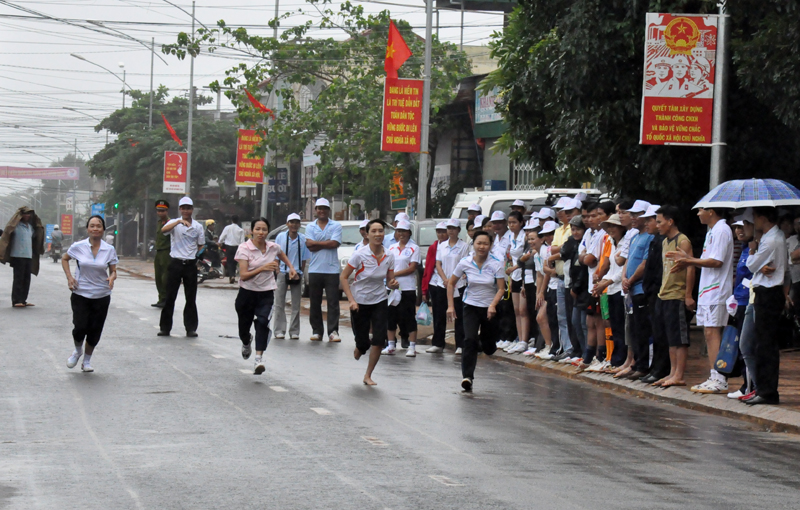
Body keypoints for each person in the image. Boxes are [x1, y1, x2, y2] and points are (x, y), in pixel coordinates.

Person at [667, 206, 734, 394]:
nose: (697, 214)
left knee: (713, 332)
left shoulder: (722, 230)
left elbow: (716, 261)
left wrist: (690, 260)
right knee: (708, 333)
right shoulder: (713, 231)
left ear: (711, 211)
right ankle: (714, 375)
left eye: (701, 210)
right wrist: (689, 261)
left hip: (716, 290)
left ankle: (720, 378)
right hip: (708, 289)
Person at [235, 217, 298, 374]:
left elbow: (282, 255)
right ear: (251, 231)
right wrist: (263, 268)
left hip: (266, 293)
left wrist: (291, 268)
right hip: (246, 294)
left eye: (264, 229)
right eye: (257, 229)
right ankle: (246, 341)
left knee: (263, 322)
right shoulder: (244, 248)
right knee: (244, 327)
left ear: (268, 231)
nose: (261, 233)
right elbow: (243, 275)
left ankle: (258, 359)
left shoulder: (273, 247)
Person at [341, 219, 398, 386]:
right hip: (359, 301)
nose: (378, 234)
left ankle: (368, 375)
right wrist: (351, 300)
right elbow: (343, 277)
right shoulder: (360, 254)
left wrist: (394, 284)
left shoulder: (389, 255)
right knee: (363, 342)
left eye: (380, 231)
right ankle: (360, 347)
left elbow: (390, 281)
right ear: (367, 234)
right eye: (374, 231)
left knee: (380, 339)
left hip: (380, 299)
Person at [447, 230, 505, 392]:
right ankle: (467, 377)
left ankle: (483, 344)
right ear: (473, 244)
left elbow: (501, 288)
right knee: (469, 340)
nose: (482, 247)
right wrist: (451, 306)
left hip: (490, 309)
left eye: (485, 243)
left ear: (490, 245)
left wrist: (493, 305)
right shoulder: (465, 262)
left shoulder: (496, 263)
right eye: (479, 243)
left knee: (488, 347)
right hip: (470, 305)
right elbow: (451, 283)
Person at [743, 207, 790, 405]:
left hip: (768, 294)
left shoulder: (770, 240)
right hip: (769, 293)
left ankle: (767, 391)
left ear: (763, 218)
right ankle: (762, 388)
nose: (754, 222)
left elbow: (751, 265)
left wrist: (753, 249)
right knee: (762, 344)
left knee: (765, 345)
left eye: (755, 217)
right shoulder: (775, 236)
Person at [61, 215, 118, 373]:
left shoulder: (109, 249)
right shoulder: (78, 246)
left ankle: (86, 360)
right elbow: (64, 259)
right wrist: (69, 277)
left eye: (98, 226)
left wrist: (112, 278)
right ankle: (77, 351)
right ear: (87, 229)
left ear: (103, 229)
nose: (95, 229)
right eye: (92, 226)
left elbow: (113, 270)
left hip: (101, 295)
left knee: (95, 329)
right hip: (81, 293)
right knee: (80, 326)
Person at [652, 205, 695, 388]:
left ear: (670, 221)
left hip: (677, 294)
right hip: (664, 294)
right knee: (669, 337)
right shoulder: (664, 242)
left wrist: (688, 295)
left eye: (660, 221)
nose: (657, 225)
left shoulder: (682, 241)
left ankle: (679, 374)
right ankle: (672, 372)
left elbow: (690, 267)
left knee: (679, 338)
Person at [158, 197, 205, 337]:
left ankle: (191, 328)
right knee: (170, 297)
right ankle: (165, 328)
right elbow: (163, 230)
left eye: (188, 208)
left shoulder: (197, 226)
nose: (186, 211)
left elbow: (201, 243)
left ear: (192, 209)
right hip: (175, 263)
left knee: (190, 298)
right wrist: (178, 221)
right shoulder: (174, 223)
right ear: (179, 209)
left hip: (190, 264)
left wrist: (198, 254)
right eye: (183, 208)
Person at [619, 201, 655, 380]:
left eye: (637, 214)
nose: (633, 218)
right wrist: (624, 277)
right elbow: (627, 260)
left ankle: (643, 365)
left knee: (643, 329)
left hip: (641, 289)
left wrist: (632, 280)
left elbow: (645, 262)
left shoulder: (650, 237)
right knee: (633, 329)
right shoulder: (634, 237)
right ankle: (635, 362)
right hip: (631, 290)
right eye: (631, 214)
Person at [305, 198, 343, 342]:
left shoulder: (336, 225)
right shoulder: (310, 226)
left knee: (333, 302)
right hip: (315, 268)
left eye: (324, 208)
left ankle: (333, 331)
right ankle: (317, 331)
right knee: (315, 301)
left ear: (328, 210)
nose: (322, 211)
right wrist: (325, 243)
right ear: (316, 210)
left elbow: (335, 243)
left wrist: (317, 243)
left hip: (332, 270)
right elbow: (309, 245)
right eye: (319, 208)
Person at [429, 218, 469, 354]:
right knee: (439, 314)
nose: (451, 230)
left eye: (454, 228)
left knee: (459, 315)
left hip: (459, 284)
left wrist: (453, 280)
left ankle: (460, 344)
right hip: (442, 284)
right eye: (449, 228)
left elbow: (464, 264)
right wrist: (445, 279)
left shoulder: (464, 246)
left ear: (458, 230)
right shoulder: (442, 245)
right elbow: (438, 264)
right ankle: (438, 343)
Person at [727, 214, 754, 399]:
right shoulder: (744, 249)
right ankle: (746, 384)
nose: (739, 231)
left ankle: (749, 386)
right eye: (736, 227)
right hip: (740, 301)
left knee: (747, 346)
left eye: (743, 227)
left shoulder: (755, 248)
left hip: (750, 300)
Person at [385, 220, 421, 356]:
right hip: (392, 287)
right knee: (391, 316)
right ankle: (391, 345)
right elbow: (386, 265)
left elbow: (412, 268)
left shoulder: (414, 248)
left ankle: (412, 346)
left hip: (407, 288)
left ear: (409, 233)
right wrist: (390, 279)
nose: (401, 234)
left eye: (404, 231)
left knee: (408, 316)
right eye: (398, 231)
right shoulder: (391, 248)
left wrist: (394, 274)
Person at [272, 213, 310, 340]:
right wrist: (277, 270)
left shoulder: (302, 239)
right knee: (279, 302)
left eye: (296, 222)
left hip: (297, 273)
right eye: (291, 222)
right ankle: (279, 330)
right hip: (283, 272)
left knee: (296, 303)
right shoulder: (281, 237)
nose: (294, 225)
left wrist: (300, 273)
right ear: (287, 224)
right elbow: (276, 255)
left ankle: (294, 331)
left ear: (299, 225)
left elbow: (304, 258)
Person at [0, 206, 44, 307]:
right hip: (17, 255)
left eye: (28, 214)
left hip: (28, 256)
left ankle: (23, 300)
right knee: (18, 278)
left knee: (26, 278)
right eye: (25, 214)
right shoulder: (15, 226)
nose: (27, 216)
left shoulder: (31, 227)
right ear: (20, 215)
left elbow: (37, 235)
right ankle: (16, 300)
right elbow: (6, 234)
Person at [503, 211, 529, 353]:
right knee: (516, 309)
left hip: (524, 274)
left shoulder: (525, 237)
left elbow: (525, 257)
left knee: (523, 309)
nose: (511, 225)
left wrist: (514, 267)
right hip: (514, 276)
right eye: (509, 223)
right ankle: (519, 339)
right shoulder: (511, 237)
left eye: (514, 222)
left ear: (521, 223)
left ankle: (524, 340)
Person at [422, 221, 446, 307]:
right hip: (434, 282)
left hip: (448, 282)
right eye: (439, 232)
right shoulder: (433, 247)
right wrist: (424, 290)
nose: (441, 234)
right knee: (437, 310)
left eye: (444, 232)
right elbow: (428, 269)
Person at [152, 199, 171, 308]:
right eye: (158, 211)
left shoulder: (170, 223)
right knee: (158, 277)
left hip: (166, 252)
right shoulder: (159, 223)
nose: (160, 213)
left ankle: (165, 299)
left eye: (162, 211)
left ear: (167, 211)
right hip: (158, 252)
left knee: (165, 277)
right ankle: (161, 299)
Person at [218, 214, 245, 284]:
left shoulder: (227, 228)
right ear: (238, 221)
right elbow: (242, 242)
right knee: (235, 262)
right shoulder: (241, 230)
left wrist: (219, 242)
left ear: (231, 220)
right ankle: (233, 275)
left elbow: (222, 237)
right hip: (237, 247)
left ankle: (231, 275)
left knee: (229, 262)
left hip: (228, 247)